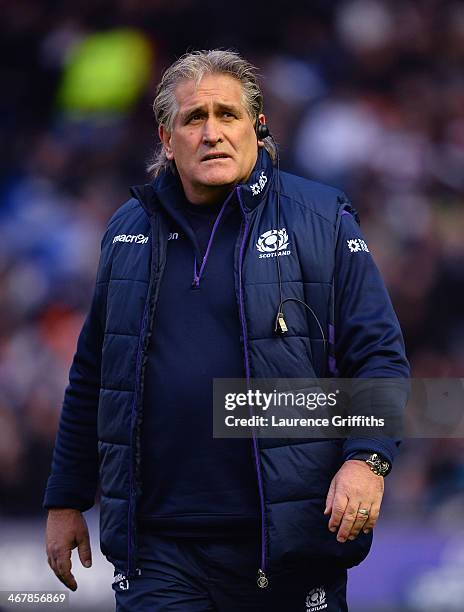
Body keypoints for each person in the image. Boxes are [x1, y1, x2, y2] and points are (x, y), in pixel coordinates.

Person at [44, 49, 409, 611]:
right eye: (194, 118)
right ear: (167, 139)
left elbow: (380, 357)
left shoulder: (322, 218)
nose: (212, 132)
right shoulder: (126, 229)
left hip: (286, 545)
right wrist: (66, 497)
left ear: (258, 128)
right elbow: (94, 372)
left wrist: (368, 460)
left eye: (227, 114)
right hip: (158, 550)